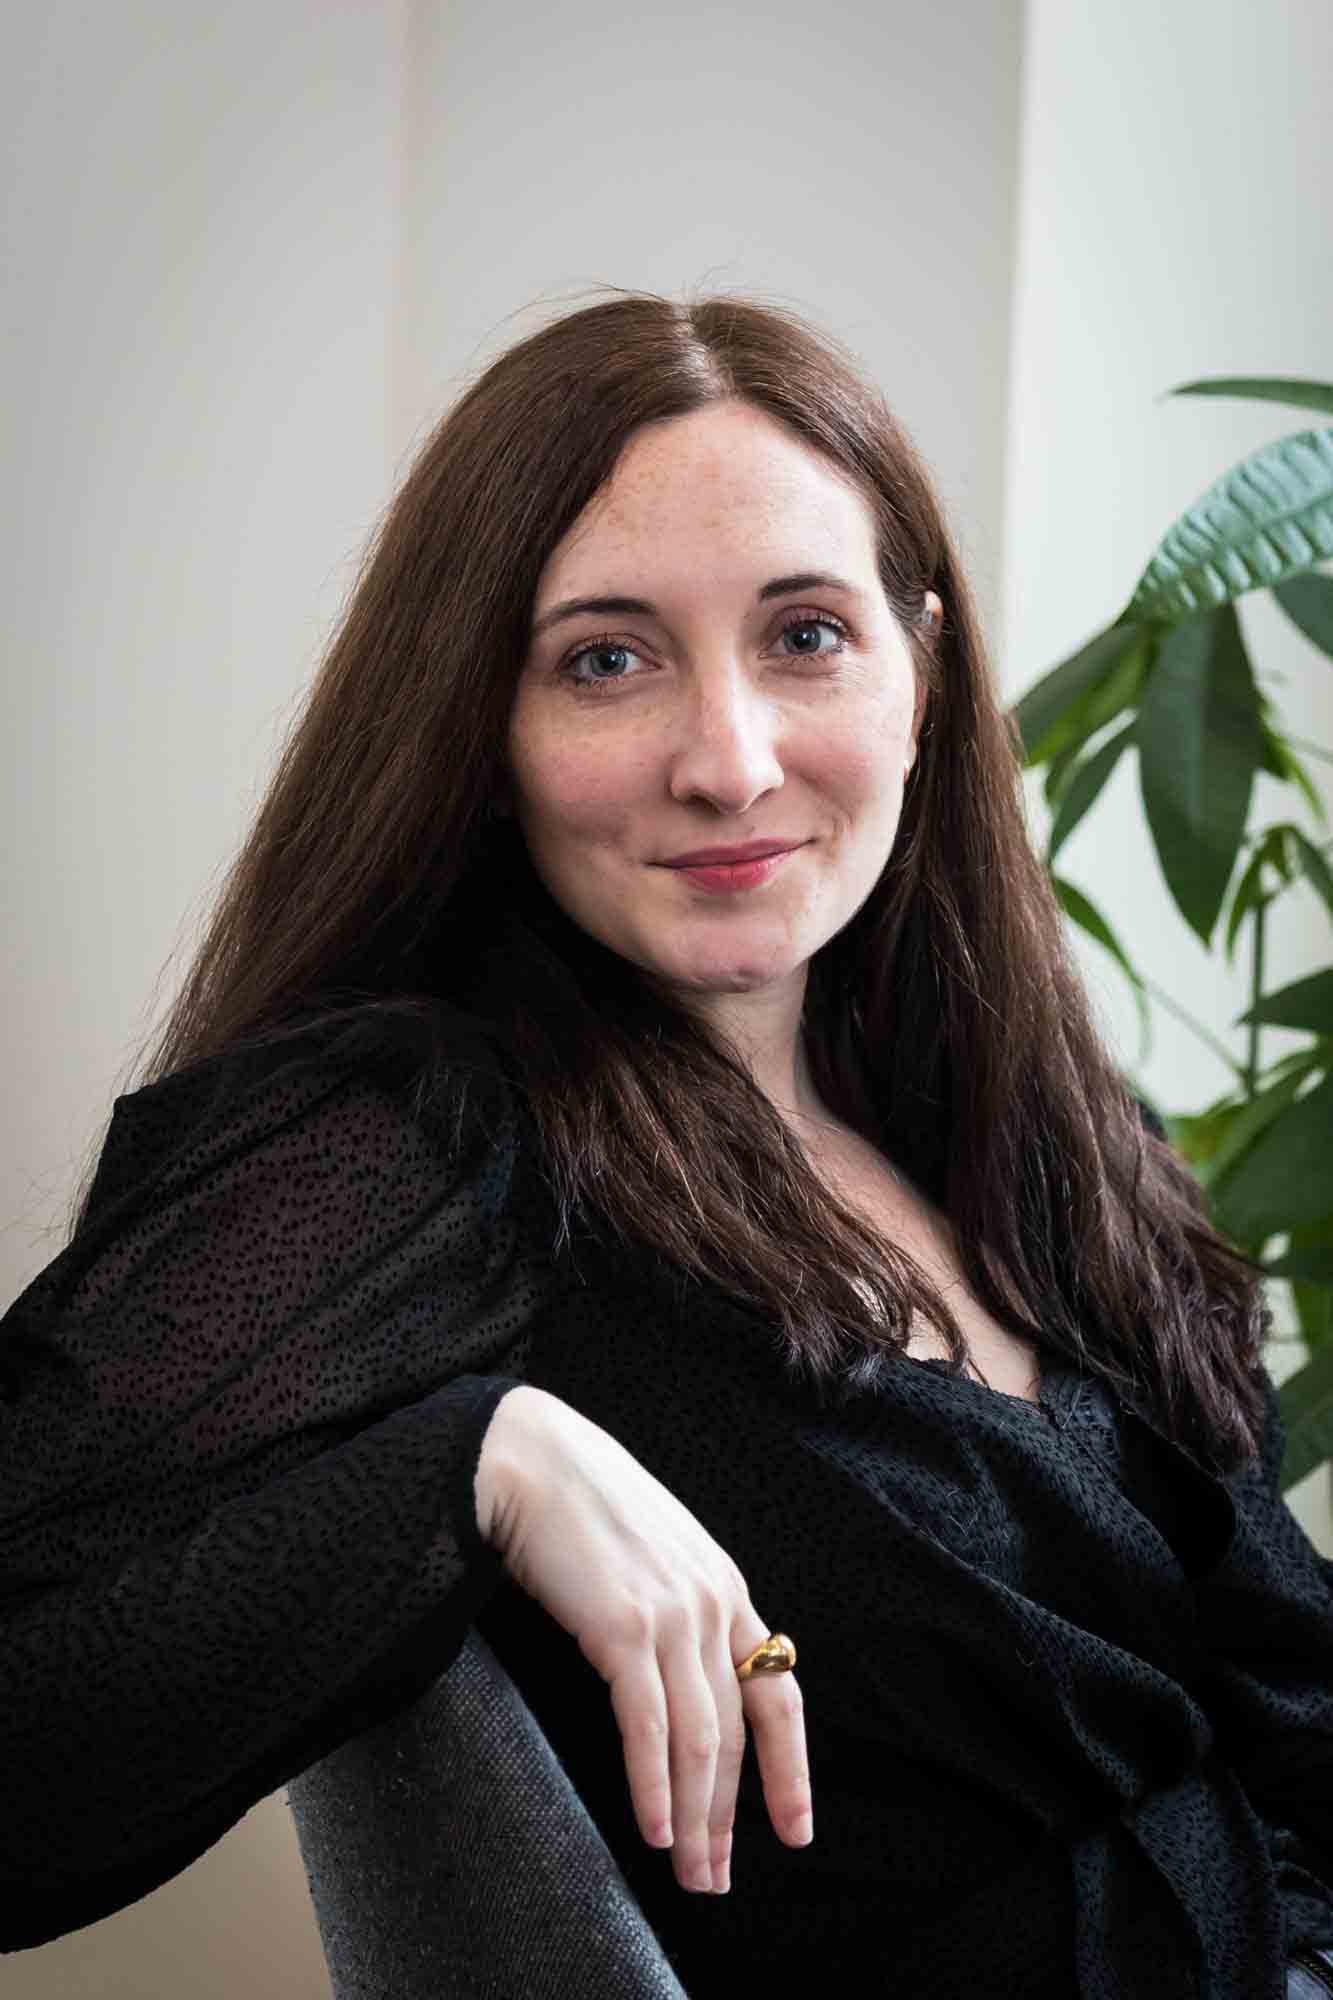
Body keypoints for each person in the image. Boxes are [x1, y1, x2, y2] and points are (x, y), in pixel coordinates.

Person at [1, 287, 1330, 2000]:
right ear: (480, 733)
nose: (729, 758)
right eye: (605, 660)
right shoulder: (393, 1141)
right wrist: (474, 1464)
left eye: (804, 635)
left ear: (921, 668)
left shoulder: (1054, 1132)